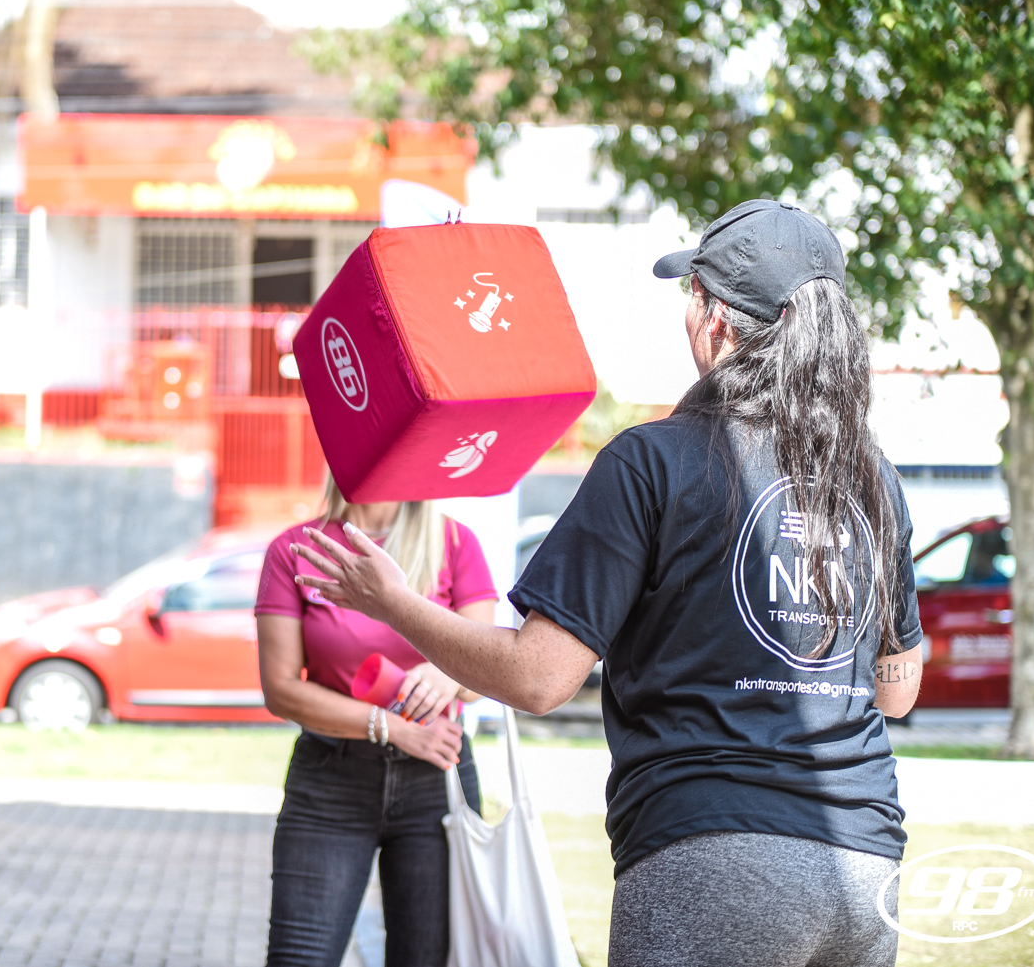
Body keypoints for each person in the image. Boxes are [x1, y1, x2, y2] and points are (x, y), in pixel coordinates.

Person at [290, 200, 924, 967]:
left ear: (717, 321)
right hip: (864, 868)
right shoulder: (871, 477)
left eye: (691, 294)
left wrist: (393, 602)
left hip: (711, 855)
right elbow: (896, 691)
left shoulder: (651, 461)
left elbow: (538, 677)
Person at [255, 476, 499, 967]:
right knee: (299, 958)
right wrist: (394, 728)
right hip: (330, 779)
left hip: (436, 783)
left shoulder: (455, 543)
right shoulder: (295, 549)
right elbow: (280, 689)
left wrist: (445, 672)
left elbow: (483, 673)